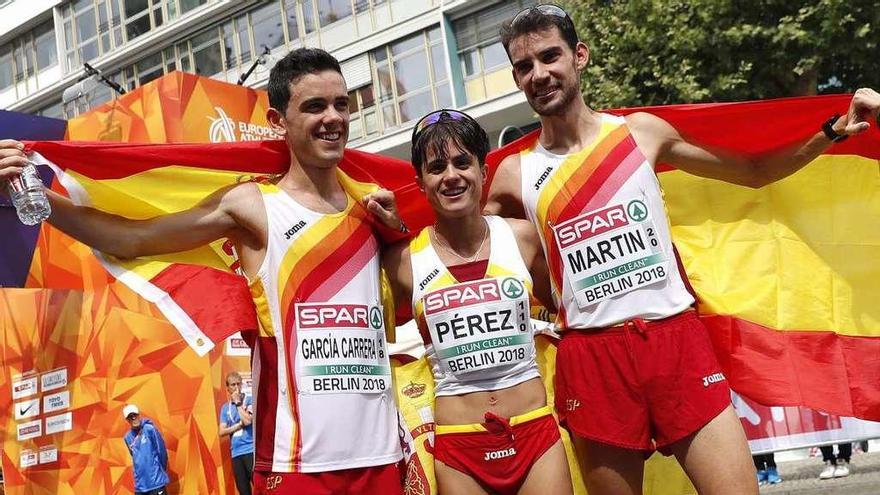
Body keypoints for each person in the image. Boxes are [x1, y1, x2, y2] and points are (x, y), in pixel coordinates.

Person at [484, 4, 880, 495]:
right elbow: (474, 253)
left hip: (676, 342)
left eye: (550, 56)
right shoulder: (511, 176)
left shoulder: (641, 133)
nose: (539, 74)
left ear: (579, 55)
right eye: (525, 66)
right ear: (516, 76)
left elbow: (752, 172)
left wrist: (830, 132)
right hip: (592, 358)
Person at [0, 48, 406, 495]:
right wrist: (36, 195)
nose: (333, 118)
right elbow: (129, 238)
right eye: (314, 106)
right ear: (277, 121)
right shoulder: (253, 205)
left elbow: (417, 292)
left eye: (341, 104)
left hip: (383, 455)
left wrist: (399, 231)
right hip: (296, 462)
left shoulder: (374, 204)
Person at [383, 109, 572, 495]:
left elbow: (569, 310)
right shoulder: (401, 262)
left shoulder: (523, 238)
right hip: (458, 449)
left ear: (483, 172)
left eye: (462, 162)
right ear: (420, 182)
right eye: (436, 167)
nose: (451, 175)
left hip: (535, 434)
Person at [219, 371, 254, 495]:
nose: (236, 388)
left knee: (259, 487)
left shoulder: (249, 400)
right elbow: (222, 431)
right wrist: (238, 426)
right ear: (227, 388)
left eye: (238, 384)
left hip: (250, 450)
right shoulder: (225, 408)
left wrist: (238, 403)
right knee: (243, 490)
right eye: (233, 385)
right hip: (236, 453)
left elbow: (248, 421)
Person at [123, 404, 169, 495]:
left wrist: (158, 472)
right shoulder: (127, 437)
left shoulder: (150, 429)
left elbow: (162, 452)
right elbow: (135, 458)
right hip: (140, 487)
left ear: (139, 415)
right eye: (130, 417)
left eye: (135, 415)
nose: (133, 418)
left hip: (156, 483)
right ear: (127, 420)